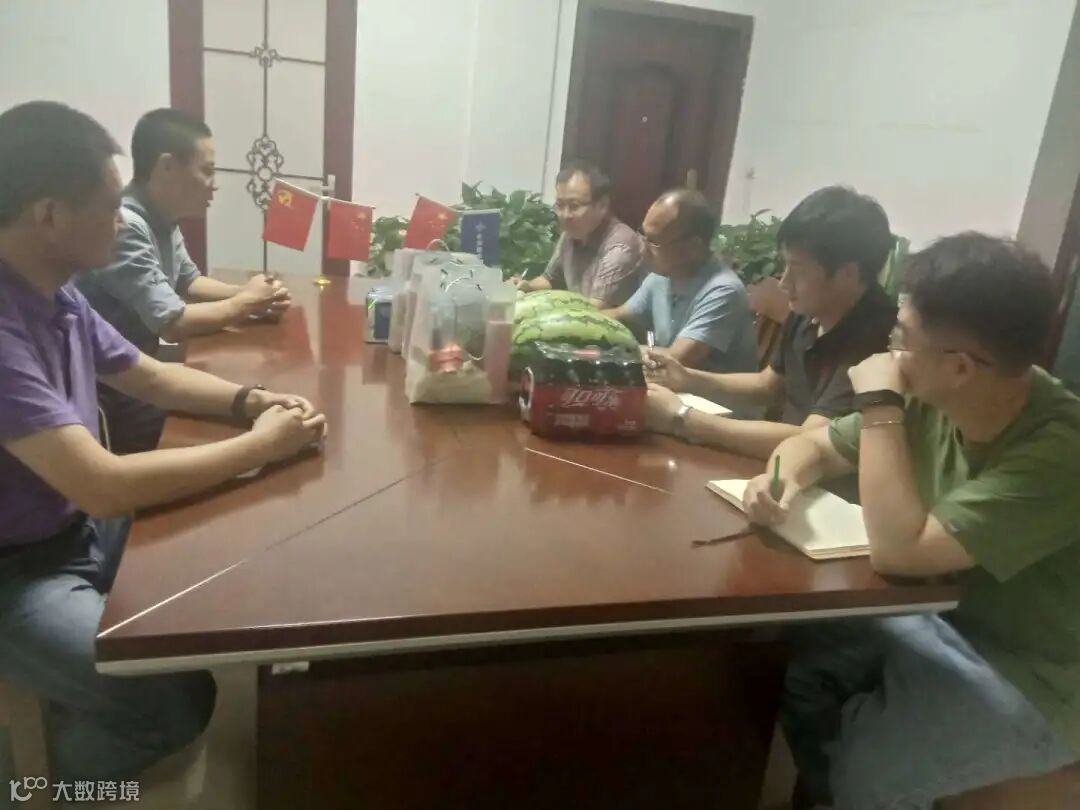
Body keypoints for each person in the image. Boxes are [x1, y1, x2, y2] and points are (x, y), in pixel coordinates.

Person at [0, 101, 327, 784]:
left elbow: (149, 375)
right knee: (175, 698)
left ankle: (72, 691)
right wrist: (262, 447)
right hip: (19, 574)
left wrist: (251, 402)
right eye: (108, 206)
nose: (122, 221)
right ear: (50, 216)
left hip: (75, 529)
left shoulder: (56, 293)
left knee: (226, 530)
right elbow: (102, 484)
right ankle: (42, 780)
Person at [742, 233, 1080, 809]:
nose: (889, 351)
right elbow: (813, 446)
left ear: (960, 367)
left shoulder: (1061, 451)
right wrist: (780, 479)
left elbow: (903, 552)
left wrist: (879, 406)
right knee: (792, 670)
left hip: (1033, 678)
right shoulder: (937, 392)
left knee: (863, 776)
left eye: (901, 336)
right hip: (940, 620)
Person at [77, 108, 291, 452]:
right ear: (167, 168)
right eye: (207, 170)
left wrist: (251, 295)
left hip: (141, 370)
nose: (214, 182)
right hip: (114, 392)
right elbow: (172, 322)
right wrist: (247, 301)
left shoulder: (162, 218)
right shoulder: (129, 226)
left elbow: (187, 282)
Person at [643, 186, 896, 459]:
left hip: (814, 475)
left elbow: (811, 441)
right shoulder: (811, 308)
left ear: (847, 275)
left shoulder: (878, 339)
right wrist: (687, 378)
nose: (784, 283)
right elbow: (767, 386)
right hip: (779, 464)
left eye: (797, 270)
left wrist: (681, 417)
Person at [603, 189, 757, 375]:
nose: (643, 248)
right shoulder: (662, 275)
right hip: (667, 383)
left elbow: (676, 361)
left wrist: (621, 349)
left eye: (654, 242)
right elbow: (619, 316)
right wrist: (578, 322)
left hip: (704, 392)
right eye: (643, 234)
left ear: (693, 246)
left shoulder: (723, 291)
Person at [513, 161, 643, 308]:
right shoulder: (570, 235)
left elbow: (596, 308)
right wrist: (526, 286)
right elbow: (550, 280)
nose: (565, 215)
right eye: (560, 205)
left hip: (602, 319)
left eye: (574, 206)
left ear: (602, 205)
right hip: (577, 316)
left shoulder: (620, 247)